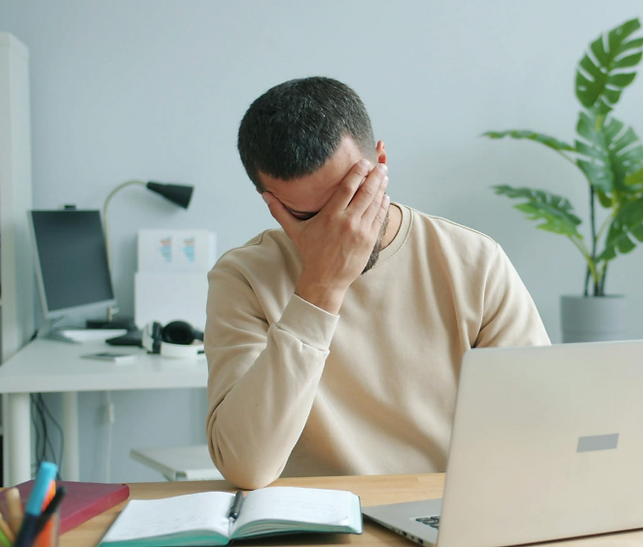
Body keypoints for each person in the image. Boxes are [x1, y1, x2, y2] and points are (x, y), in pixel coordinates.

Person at [205, 77, 550, 489]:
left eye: (351, 198)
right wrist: (320, 288)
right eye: (309, 217)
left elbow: (539, 432)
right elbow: (247, 466)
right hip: (317, 524)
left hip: (444, 512)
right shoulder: (243, 278)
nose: (342, 227)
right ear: (271, 203)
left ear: (380, 162)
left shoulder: (474, 261)